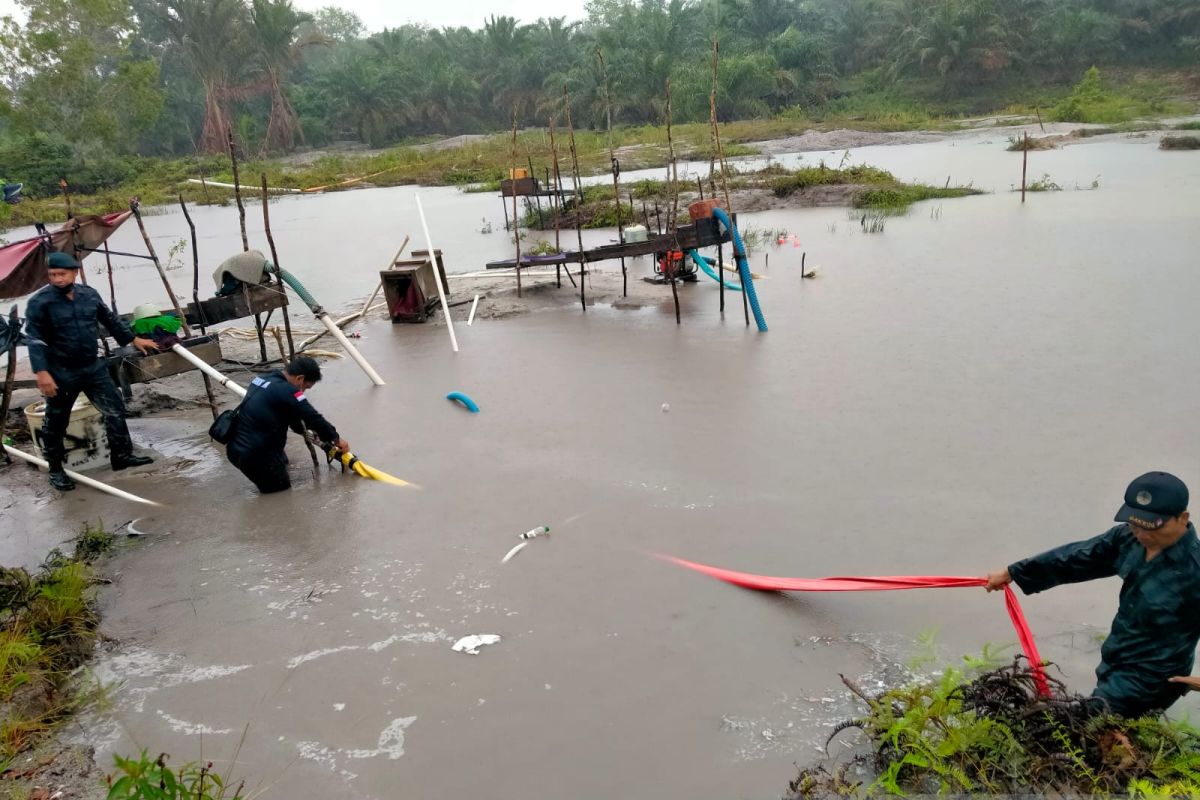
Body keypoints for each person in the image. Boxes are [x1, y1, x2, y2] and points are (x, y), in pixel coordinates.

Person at [985, 471, 1200, 717]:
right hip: (1115, 664)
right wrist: (1014, 572)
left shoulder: (1195, 570)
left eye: (1152, 527)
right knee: (1109, 738)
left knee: (1080, 724)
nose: (1142, 534)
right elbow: (1077, 557)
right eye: (1135, 524)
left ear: (1182, 518)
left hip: (1153, 679)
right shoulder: (1128, 540)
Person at [24, 251, 159, 491]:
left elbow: (109, 319)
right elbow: (34, 339)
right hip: (61, 371)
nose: (57, 279)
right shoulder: (39, 302)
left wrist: (132, 339)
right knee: (56, 421)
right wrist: (41, 372)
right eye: (52, 275)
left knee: (115, 409)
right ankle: (55, 469)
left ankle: (121, 456)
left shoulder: (89, 295)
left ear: (74, 272)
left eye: (62, 274)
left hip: (92, 366)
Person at [225, 356, 349, 494]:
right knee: (280, 493)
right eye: (306, 387)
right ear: (300, 379)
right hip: (255, 455)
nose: (303, 392)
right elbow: (314, 418)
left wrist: (315, 435)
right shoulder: (288, 391)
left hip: (235, 448)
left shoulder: (264, 378)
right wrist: (337, 439)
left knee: (282, 462)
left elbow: (294, 422)